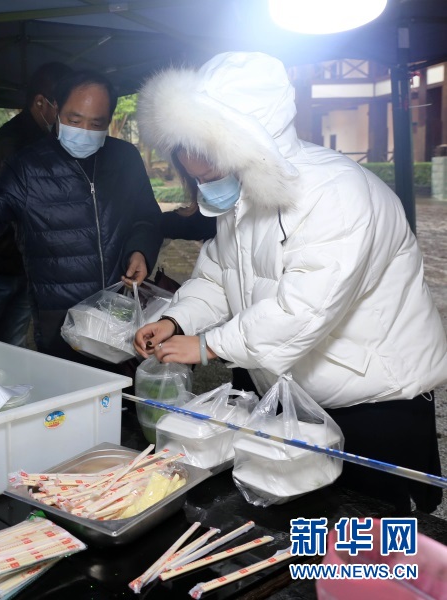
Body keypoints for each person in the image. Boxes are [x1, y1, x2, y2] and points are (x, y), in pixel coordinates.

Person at [134, 52, 447, 513]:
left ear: (250, 146)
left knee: (378, 539)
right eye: (198, 178)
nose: (208, 187)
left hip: (374, 400)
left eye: (215, 173)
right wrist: (177, 320)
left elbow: (303, 308)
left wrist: (207, 346)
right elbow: (220, 275)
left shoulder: (336, 193)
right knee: (307, 531)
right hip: (297, 395)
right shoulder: (245, 197)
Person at [0, 70, 163, 365]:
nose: (84, 130)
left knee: (123, 400)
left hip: (120, 309)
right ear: (56, 109)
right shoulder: (28, 166)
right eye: (74, 119)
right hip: (60, 316)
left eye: (97, 124)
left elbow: (146, 215)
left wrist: (140, 251)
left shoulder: (125, 158)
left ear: (109, 120)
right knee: (70, 400)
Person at [0, 62, 73, 348]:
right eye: (65, 109)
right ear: (41, 103)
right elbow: (1, 211)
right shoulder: (15, 143)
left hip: (21, 267)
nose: (69, 120)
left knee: (11, 351)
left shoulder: (44, 139)